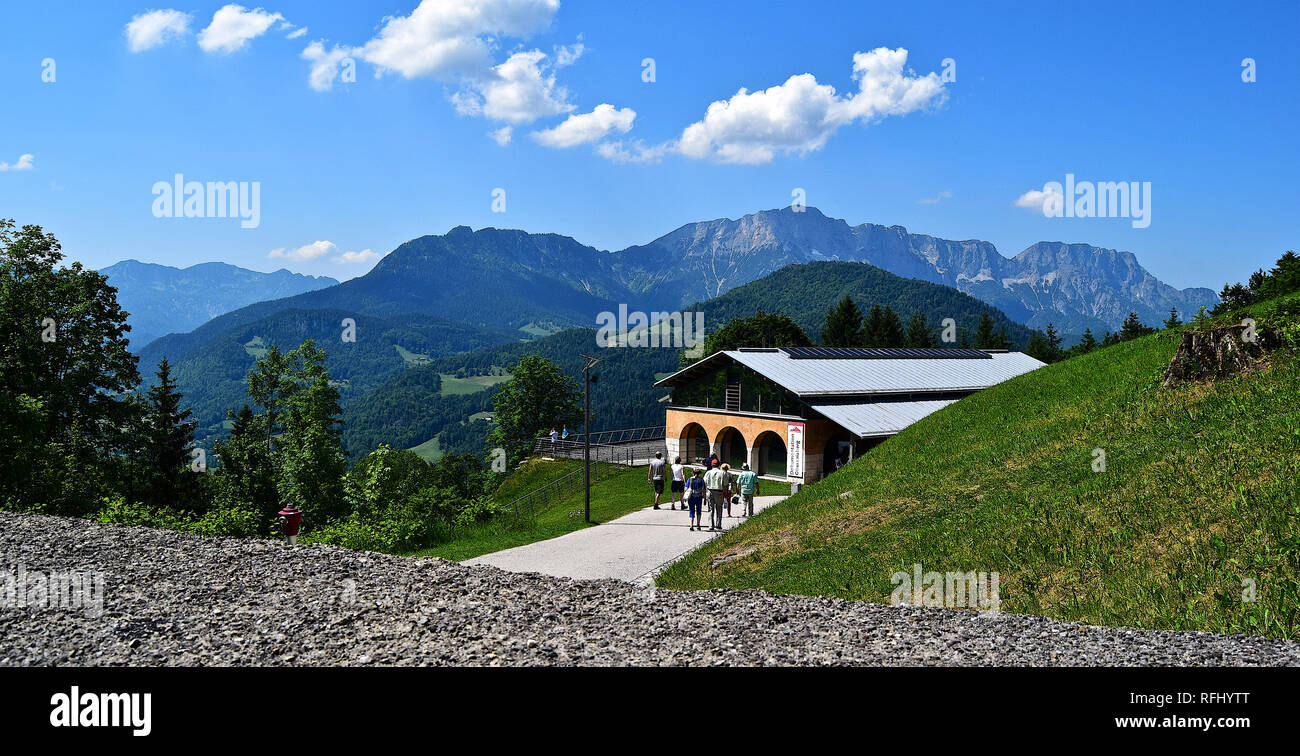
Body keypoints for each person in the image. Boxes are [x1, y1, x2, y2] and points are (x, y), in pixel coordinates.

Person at [703, 462, 730, 532]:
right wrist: (725, 494)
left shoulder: (708, 473)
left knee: (711, 509)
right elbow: (725, 484)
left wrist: (705, 493)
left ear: (712, 465)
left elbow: (704, 482)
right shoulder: (723, 473)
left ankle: (711, 525)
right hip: (719, 492)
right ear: (719, 465)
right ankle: (718, 524)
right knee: (719, 508)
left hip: (710, 491)